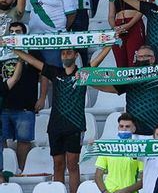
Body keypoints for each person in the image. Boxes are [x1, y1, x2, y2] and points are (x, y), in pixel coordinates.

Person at [14, 43, 109, 193]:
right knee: (57, 165)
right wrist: (13, 49)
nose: (65, 56)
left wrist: (111, 44)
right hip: (55, 126)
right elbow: (32, 61)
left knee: (72, 165)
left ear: (76, 55)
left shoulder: (82, 73)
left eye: (69, 53)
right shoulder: (55, 72)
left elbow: (97, 60)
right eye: (63, 53)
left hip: (75, 126)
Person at [95, 45, 158, 135]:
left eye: (146, 56)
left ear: (153, 59)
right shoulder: (129, 76)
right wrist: (89, 80)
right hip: (133, 129)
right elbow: (109, 88)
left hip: (157, 129)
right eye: (140, 57)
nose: (142, 59)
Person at [95, 114, 144, 193]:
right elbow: (98, 176)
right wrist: (105, 191)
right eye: (121, 126)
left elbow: (143, 179)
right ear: (118, 128)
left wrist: (124, 191)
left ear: (134, 129)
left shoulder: (138, 149)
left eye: (127, 126)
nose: (124, 129)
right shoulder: (108, 147)